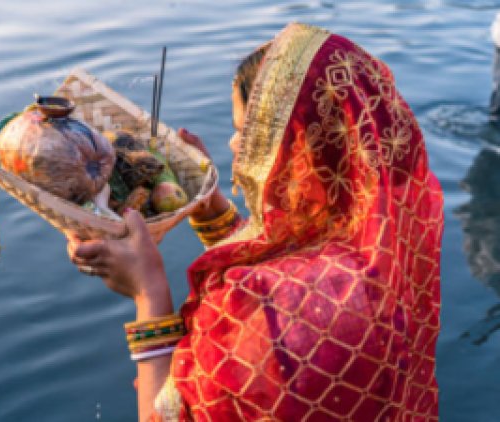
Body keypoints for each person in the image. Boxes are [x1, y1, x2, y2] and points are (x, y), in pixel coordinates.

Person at [68, 22, 443, 421]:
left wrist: (148, 292)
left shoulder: (256, 301)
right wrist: (211, 211)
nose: (235, 147)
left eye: (246, 133)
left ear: (299, 149)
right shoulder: (383, 254)